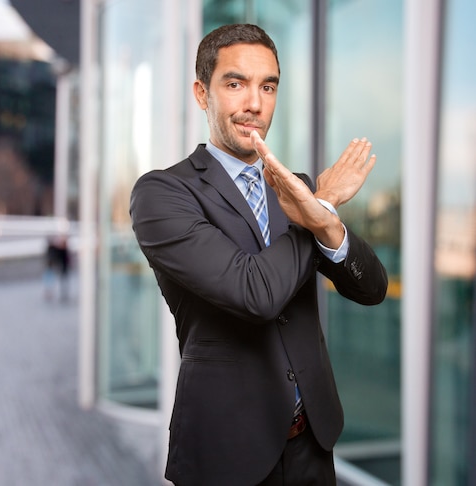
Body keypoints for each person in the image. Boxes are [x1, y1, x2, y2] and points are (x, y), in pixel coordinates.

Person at [130, 24, 388, 486]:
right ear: (202, 94)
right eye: (235, 84)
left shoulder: (301, 191)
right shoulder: (163, 193)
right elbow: (253, 293)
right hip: (226, 449)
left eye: (268, 86)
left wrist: (324, 218)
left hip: (313, 441)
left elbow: (372, 288)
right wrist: (321, 207)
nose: (255, 103)